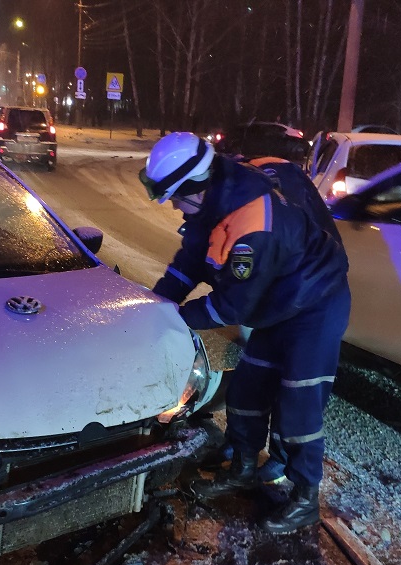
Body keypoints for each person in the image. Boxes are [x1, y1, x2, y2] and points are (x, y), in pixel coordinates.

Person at [140, 132, 350, 533]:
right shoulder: (214, 199)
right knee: (248, 388)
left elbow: (232, 306)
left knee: (299, 404)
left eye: (176, 199)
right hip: (278, 303)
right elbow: (190, 262)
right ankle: (241, 467)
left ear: (196, 189)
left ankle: (305, 497)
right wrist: (158, 302)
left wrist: (175, 318)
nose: (174, 209)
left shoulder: (253, 223)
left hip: (315, 305)